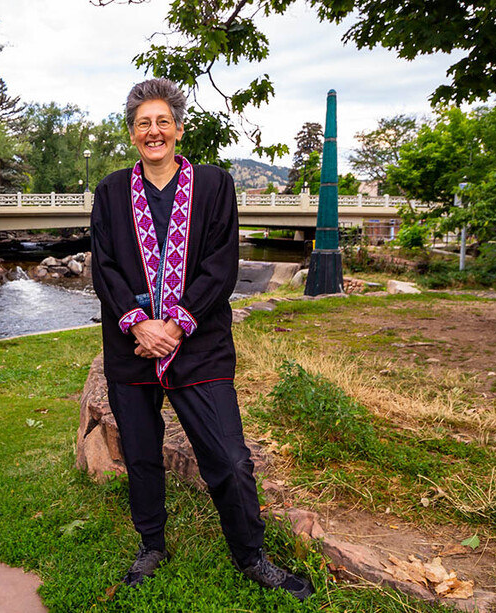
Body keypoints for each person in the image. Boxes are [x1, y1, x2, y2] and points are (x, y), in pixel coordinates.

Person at [89, 78, 314, 602]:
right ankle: (151, 543)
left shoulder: (213, 186)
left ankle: (251, 555)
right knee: (141, 453)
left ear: (179, 129)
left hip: (200, 342)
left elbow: (221, 264)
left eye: (162, 120)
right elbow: (104, 266)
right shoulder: (110, 192)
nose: (154, 131)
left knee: (230, 457)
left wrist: (175, 323)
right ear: (132, 134)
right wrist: (138, 323)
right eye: (143, 123)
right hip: (132, 344)